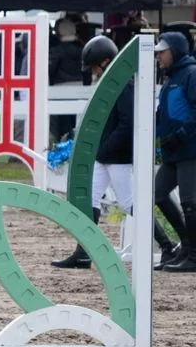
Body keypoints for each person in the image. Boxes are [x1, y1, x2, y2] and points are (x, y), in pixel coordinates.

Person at [51, 35, 177, 269]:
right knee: (90, 199)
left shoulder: (123, 85)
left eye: (95, 66)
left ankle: (167, 245)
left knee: (129, 202)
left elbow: (127, 122)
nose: (95, 71)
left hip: (116, 156)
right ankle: (83, 251)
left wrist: (106, 148)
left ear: (106, 60)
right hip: (104, 155)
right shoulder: (111, 84)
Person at [153, 31, 196, 273]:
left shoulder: (191, 74)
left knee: (190, 202)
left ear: (176, 51)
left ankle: (194, 256)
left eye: (163, 52)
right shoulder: (171, 78)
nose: (159, 56)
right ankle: (186, 246)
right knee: (158, 194)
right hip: (173, 152)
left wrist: (179, 135)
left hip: (189, 150)